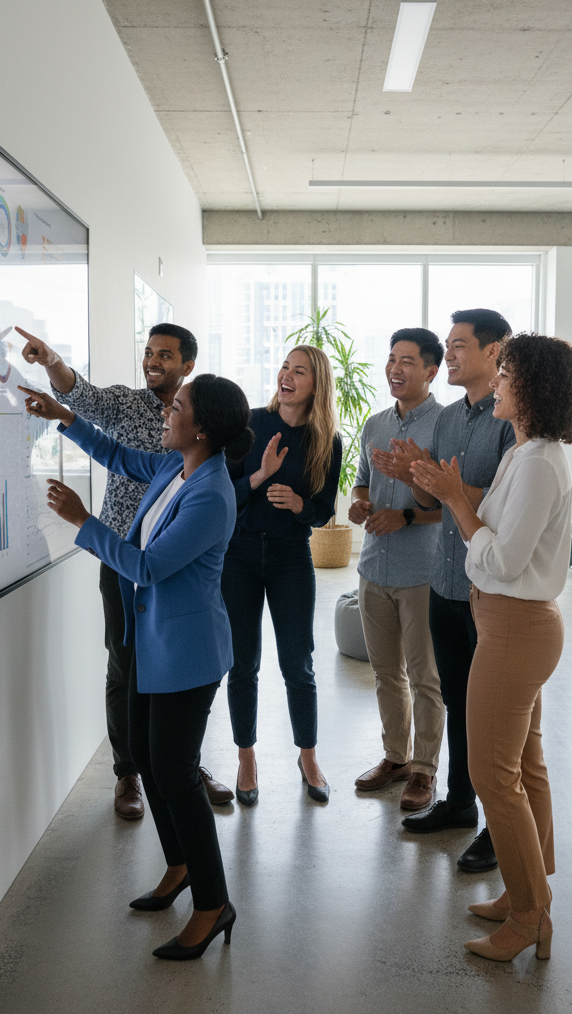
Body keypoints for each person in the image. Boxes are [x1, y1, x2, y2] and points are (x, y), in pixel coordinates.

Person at [18, 374, 254, 961]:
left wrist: (82, 520)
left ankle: (213, 903)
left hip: (188, 653)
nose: (165, 413)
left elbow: (147, 567)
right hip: (151, 641)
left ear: (200, 428)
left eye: (176, 407)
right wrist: (63, 417)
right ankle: (178, 866)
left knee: (175, 773)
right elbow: (120, 456)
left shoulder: (210, 495)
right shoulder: (178, 470)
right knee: (148, 760)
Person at [409, 333, 572, 961]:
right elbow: (495, 517)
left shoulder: (538, 461)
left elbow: (504, 556)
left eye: (507, 371)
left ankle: (528, 915)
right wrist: (450, 489)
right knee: (526, 764)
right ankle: (530, 892)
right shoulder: (526, 453)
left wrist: (459, 502)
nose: (498, 380)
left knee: (495, 774)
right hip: (511, 625)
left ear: (532, 388)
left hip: (515, 627)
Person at [17, 325, 233, 818]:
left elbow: (156, 562)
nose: (153, 361)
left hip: (160, 575)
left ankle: (177, 767)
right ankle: (132, 772)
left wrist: (80, 519)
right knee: (126, 668)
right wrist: (60, 403)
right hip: (120, 563)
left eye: (166, 355)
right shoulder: (147, 430)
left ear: (188, 368)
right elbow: (97, 422)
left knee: (169, 686)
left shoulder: (200, 457)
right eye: (149, 352)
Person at [371, 309, 515, 874]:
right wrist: (416, 479)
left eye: (458, 346)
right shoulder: (451, 421)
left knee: (496, 719)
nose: (449, 355)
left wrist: (443, 486)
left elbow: (504, 507)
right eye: (448, 345)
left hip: (492, 589)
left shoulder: (511, 420)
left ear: (494, 352)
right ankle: (459, 804)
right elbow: (438, 506)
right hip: (447, 582)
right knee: (457, 702)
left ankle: (500, 830)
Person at [223, 345, 342, 805]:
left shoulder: (325, 438)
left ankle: (307, 756)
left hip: (292, 557)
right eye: (285, 367)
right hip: (239, 554)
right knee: (242, 663)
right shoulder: (249, 425)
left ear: (317, 384)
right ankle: (246, 756)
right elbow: (224, 495)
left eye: (300, 371)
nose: (286, 376)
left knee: (298, 663)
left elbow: (324, 509)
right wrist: (259, 477)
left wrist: (300, 507)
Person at [348, 328, 445, 812]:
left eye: (407, 360)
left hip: (423, 572)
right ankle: (396, 758)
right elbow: (361, 484)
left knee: (425, 676)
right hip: (372, 570)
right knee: (386, 674)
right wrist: (360, 507)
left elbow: (453, 506)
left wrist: (406, 513)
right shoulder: (375, 424)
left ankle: (425, 771)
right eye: (390, 359)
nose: (395, 368)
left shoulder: (446, 426)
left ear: (431, 371)